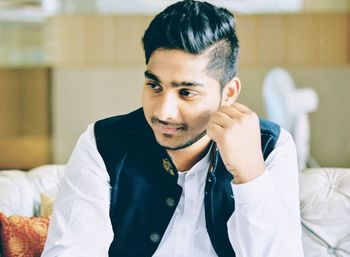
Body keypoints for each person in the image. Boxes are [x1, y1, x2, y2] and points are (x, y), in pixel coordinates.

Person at [42, 1, 304, 256]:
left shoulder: (271, 146)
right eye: (155, 86)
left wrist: (250, 176)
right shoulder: (102, 144)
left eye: (187, 92)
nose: (163, 112)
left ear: (229, 93)